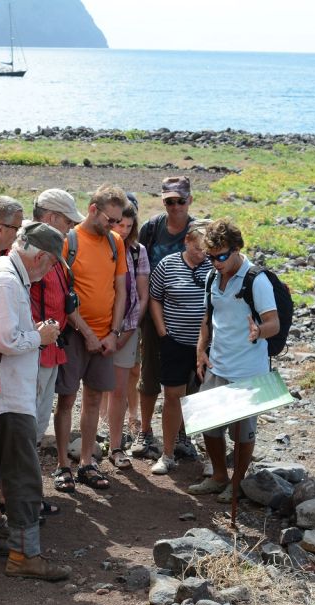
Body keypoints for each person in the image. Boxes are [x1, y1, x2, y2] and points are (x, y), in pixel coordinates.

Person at [0, 222, 69, 581]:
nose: (50, 271)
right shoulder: (7, 280)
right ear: (40, 257)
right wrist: (40, 337)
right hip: (8, 394)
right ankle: (24, 554)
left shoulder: (5, 275)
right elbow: (4, 339)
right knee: (23, 475)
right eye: (51, 264)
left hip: (0, 392)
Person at [189, 219, 279, 503]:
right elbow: (207, 319)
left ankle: (237, 482)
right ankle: (218, 476)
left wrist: (259, 331)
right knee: (209, 425)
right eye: (211, 256)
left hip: (248, 370)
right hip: (218, 362)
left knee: (242, 433)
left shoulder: (257, 280)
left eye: (222, 256)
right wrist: (201, 351)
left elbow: (273, 323)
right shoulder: (212, 277)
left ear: (237, 248)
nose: (216, 262)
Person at [51, 185, 128, 493]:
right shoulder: (69, 241)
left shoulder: (116, 243)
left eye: (118, 220)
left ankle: (86, 462)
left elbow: (121, 289)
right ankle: (62, 464)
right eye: (110, 219)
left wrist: (113, 333)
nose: (114, 226)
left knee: (94, 398)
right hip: (74, 335)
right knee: (67, 399)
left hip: (104, 338)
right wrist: (87, 333)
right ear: (93, 209)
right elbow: (62, 295)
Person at [132, 176, 196, 461]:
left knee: (190, 379)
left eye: (180, 201)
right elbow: (138, 263)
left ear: (189, 200)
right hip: (153, 310)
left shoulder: (198, 230)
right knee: (150, 375)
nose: (175, 206)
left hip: (190, 316)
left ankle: (183, 434)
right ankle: (144, 432)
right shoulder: (152, 228)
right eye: (169, 201)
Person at [147, 220, 212, 475]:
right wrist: (162, 330)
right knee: (173, 396)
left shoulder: (214, 266)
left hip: (207, 345)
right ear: (187, 241)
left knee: (205, 398)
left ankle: (210, 457)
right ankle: (168, 453)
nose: (202, 254)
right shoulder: (168, 264)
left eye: (206, 249)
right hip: (175, 341)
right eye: (198, 248)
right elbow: (155, 297)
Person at [29, 189, 83, 446]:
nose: (71, 228)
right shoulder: (29, 252)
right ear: (50, 218)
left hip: (49, 349)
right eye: (68, 222)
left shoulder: (49, 250)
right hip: (33, 351)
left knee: (37, 421)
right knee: (27, 421)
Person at [103, 197, 149, 470]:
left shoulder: (137, 251)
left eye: (128, 226)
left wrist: (128, 329)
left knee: (120, 388)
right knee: (94, 389)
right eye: (119, 224)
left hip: (127, 329)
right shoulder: (97, 246)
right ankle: (94, 441)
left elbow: (142, 296)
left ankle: (116, 444)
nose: (122, 230)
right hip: (96, 329)